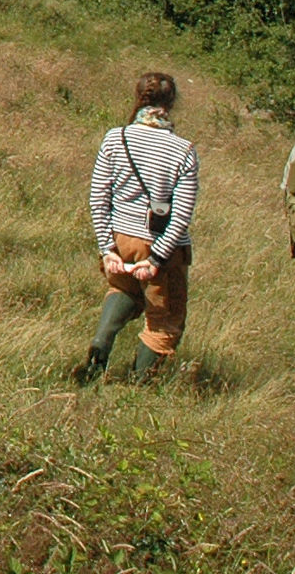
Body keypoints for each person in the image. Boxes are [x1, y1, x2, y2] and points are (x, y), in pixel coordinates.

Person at [74, 71, 201, 383]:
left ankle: (101, 344)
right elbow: (181, 216)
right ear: (172, 103)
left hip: (121, 240)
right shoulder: (183, 151)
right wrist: (156, 259)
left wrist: (107, 249)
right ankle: (137, 388)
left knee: (122, 290)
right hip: (161, 249)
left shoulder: (115, 138)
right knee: (165, 322)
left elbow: (98, 198)